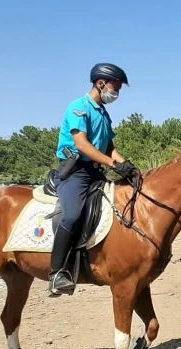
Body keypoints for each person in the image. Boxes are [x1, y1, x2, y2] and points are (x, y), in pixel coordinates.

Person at [49, 63, 138, 296]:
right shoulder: (79, 107)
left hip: (96, 172)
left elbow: (110, 147)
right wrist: (113, 164)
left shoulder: (103, 114)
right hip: (75, 173)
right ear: (100, 83)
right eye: (115, 87)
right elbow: (82, 144)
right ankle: (57, 272)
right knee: (72, 214)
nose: (116, 93)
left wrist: (127, 166)